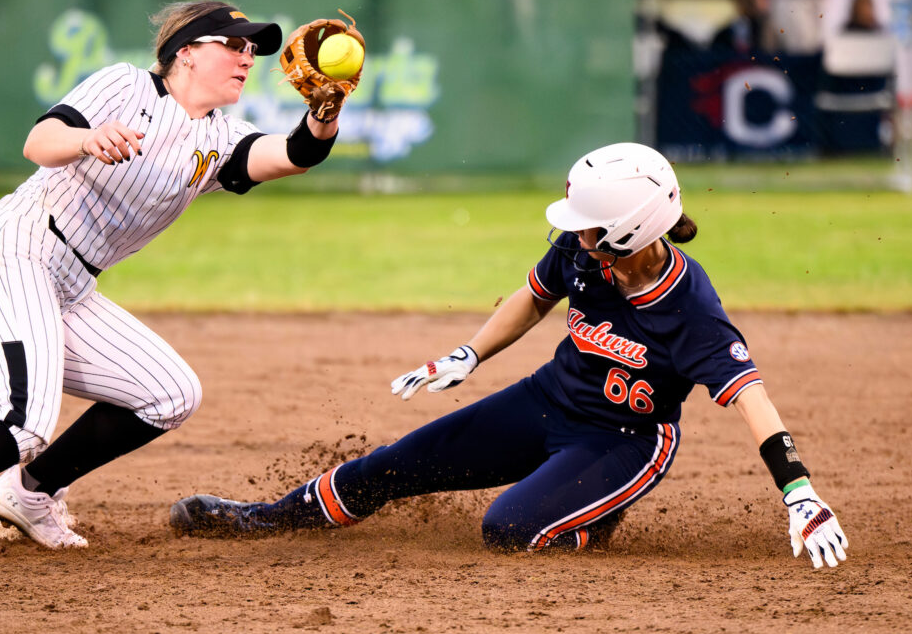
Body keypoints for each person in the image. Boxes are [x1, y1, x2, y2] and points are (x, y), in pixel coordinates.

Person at [0, 0, 354, 567]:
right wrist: (87, 139)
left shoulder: (220, 137)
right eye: (232, 44)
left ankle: (29, 494)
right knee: (23, 418)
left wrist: (325, 111)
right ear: (185, 52)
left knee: (169, 393)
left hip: (71, 284)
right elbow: (39, 142)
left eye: (251, 47)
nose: (247, 56)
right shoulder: (126, 86)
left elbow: (295, 154)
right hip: (15, 250)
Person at [171, 143, 849, 570]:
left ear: (628, 232)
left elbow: (750, 396)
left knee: (510, 531)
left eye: (588, 228)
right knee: (393, 464)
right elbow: (532, 299)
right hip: (545, 399)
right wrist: (468, 354)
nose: (574, 235)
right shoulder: (585, 250)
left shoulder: (690, 308)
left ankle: (593, 512)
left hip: (623, 441)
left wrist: (800, 493)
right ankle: (269, 517)